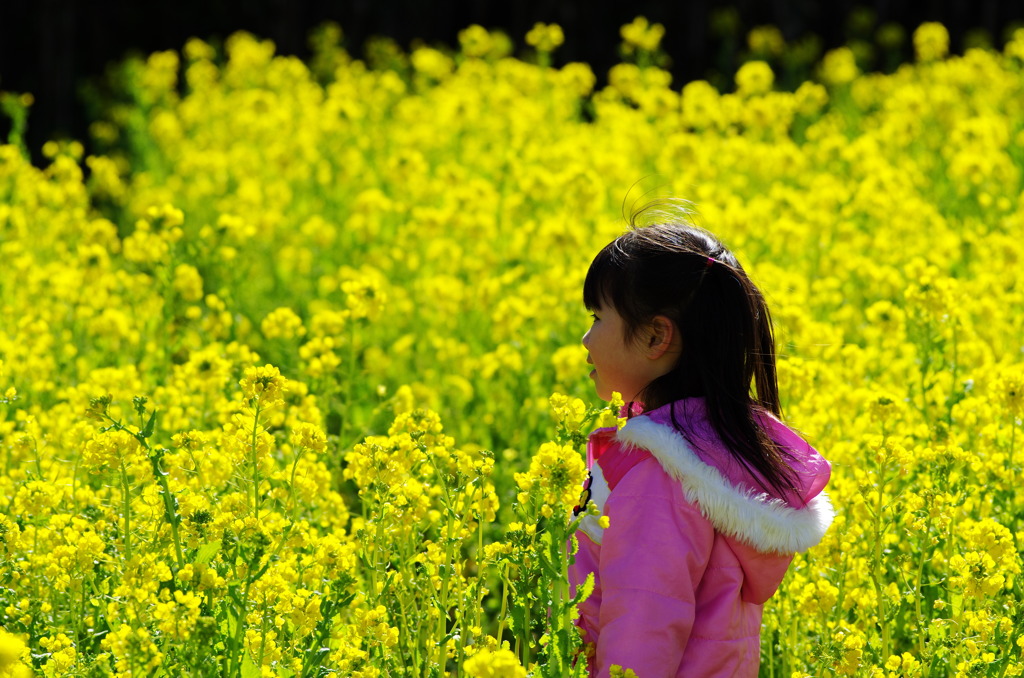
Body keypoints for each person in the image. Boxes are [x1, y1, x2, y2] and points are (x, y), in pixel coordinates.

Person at [568, 203, 834, 678]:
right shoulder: (716, 455)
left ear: (655, 337)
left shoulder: (660, 477)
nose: (586, 339)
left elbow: (642, 634)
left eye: (598, 318)